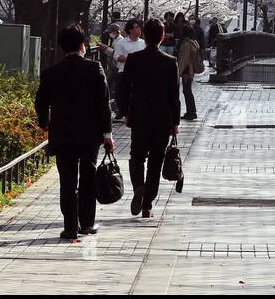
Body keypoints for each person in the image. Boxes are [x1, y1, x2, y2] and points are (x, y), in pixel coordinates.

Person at [34, 24, 115, 240]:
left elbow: (41, 102)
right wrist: (107, 135)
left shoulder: (51, 73)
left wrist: (45, 123)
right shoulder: (94, 68)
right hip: (90, 134)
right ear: (82, 45)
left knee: (67, 180)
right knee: (87, 177)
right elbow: (103, 104)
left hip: (62, 133)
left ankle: (70, 226)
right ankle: (86, 224)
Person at [118, 18, 180, 219]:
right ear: (162, 37)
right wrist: (175, 122)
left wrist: (125, 111)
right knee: (155, 161)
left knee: (136, 156)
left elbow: (124, 88)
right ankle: (147, 205)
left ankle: (138, 187)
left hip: (139, 116)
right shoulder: (170, 62)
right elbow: (174, 95)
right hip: (162, 119)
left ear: (144, 35)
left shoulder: (134, 60)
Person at [111, 19, 145, 120]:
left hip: (139, 73)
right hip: (124, 71)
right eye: (137, 27)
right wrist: (132, 59)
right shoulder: (122, 42)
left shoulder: (143, 43)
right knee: (123, 93)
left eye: (139, 27)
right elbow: (117, 56)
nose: (139, 30)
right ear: (130, 30)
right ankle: (123, 111)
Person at [176, 23, 202, 121]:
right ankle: (191, 111)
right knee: (188, 91)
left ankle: (191, 112)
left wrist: (179, 72)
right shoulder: (194, 42)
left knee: (187, 91)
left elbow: (184, 59)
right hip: (191, 69)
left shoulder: (186, 44)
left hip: (187, 69)